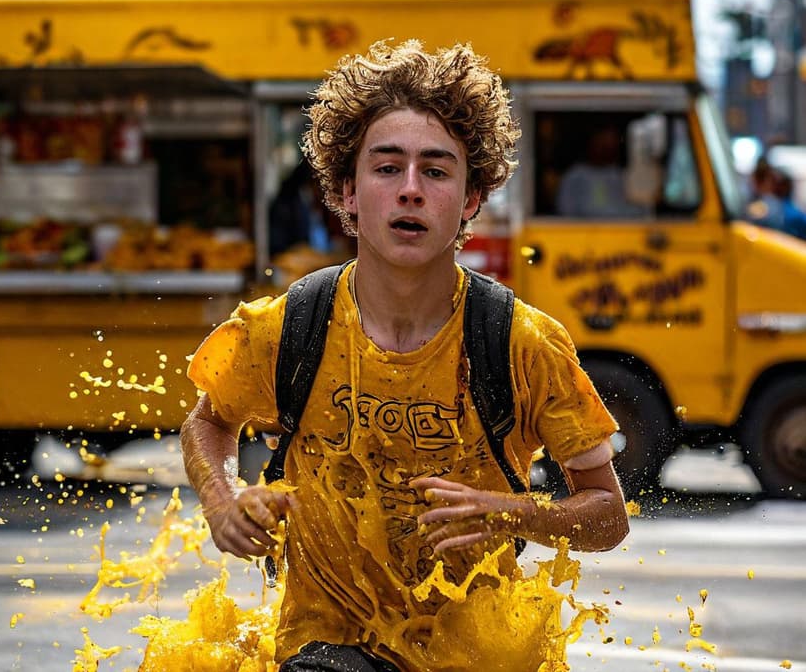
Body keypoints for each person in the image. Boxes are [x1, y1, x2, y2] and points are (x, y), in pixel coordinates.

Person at [180, 40, 629, 672]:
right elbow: (207, 420)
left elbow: (608, 517)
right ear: (348, 192)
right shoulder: (285, 328)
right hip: (324, 648)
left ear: (471, 200)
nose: (411, 190)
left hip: (471, 653)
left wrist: (512, 514)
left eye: (437, 171)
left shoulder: (524, 343)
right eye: (387, 168)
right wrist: (223, 501)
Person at [555, 122, 647, 218]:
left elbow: (642, 210)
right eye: (602, 143)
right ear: (591, 143)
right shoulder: (575, 176)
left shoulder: (622, 176)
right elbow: (565, 213)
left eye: (611, 144)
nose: (607, 148)